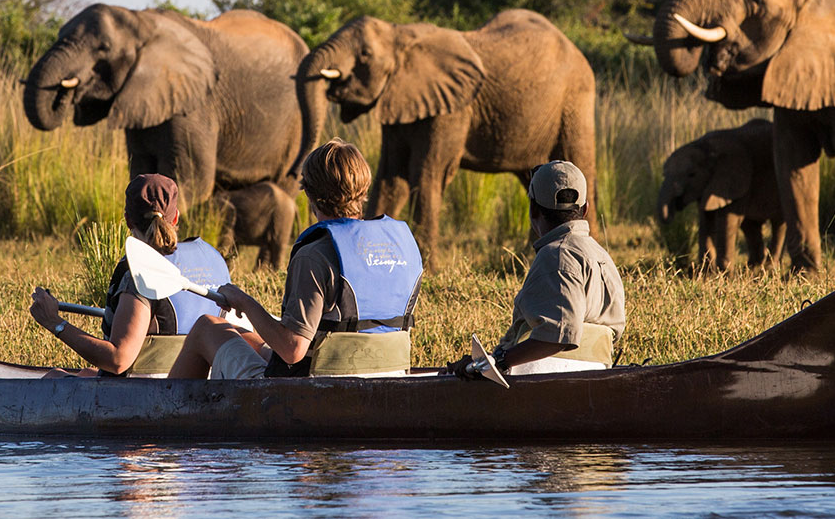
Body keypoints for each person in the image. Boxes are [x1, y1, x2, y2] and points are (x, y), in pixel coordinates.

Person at [168, 139, 423, 379]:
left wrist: (245, 303)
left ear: (310, 195)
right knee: (244, 335)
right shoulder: (401, 246)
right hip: (389, 376)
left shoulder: (315, 255)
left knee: (208, 327)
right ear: (364, 188)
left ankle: (166, 409)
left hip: (311, 390)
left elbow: (293, 350)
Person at [28, 174, 230, 377]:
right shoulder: (213, 259)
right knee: (87, 374)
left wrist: (55, 323)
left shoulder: (140, 273)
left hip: (149, 391)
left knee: (54, 377)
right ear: (176, 217)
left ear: (128, 220)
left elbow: (118, 360)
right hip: (201, 385)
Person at [447, 160, 625, 378]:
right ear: (586, 209)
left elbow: (559, 335)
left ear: (533, 210)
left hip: (539, 382)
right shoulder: (603, 256)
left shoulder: (556, 255)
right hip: (596, 377)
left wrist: (497, 361)